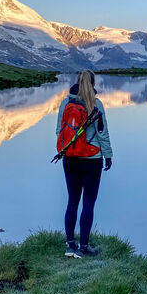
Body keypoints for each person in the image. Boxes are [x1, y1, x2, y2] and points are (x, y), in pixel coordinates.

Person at [56, 70, 113, 258]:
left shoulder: (66, 103)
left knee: (72, 201)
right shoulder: (96, 104)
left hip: (70, 158)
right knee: (88, 203)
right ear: (93, 84)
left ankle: (69, 245)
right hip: (92, 160)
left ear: (77, 82)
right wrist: (108, 155)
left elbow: (59, 131)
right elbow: (103, 133)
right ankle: (84, 247)